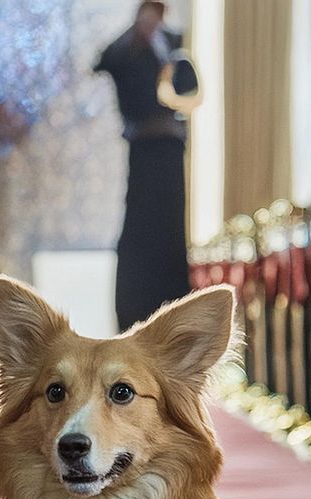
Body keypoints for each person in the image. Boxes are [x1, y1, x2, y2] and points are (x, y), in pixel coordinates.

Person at [94, 1, 194, 331]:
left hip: (170, 150)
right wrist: (136, 33)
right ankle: (133, 313)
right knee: (140, 230)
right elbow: (103, 62)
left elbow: (188, 86)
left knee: (170, 230)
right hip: (142, 150)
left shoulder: (176, 42)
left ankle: (172, 311)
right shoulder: (127, 46)